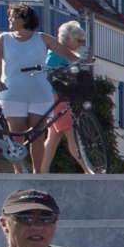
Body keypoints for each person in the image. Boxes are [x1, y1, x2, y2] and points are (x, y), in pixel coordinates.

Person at [0, 4, 81, 174]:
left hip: (39, 93)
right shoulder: (4, 38)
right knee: (17, 134)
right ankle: (20, 171)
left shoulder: (42, 38)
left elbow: (66, 53)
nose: (9, 20)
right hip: (12, 93)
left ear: (24, 18)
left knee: (37, 135)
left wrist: (82, 59)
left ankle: (39, 173)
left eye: (13, 17)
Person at [34, 21, 94, 175]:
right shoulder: (56, 53)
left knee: (54, 138)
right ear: (67, 38)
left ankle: (41, 172)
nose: (80, 43)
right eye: (78, 40)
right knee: (72, 134)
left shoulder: (61, 53)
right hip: (57, 98)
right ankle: (89, 171)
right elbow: (49, 70)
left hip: (55, 97)